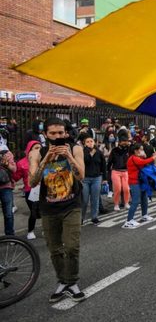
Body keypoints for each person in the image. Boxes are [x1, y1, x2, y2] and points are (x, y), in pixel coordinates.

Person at [28, 117, 86, 302]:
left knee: (71, 246)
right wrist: (46, 159)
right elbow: (32, 181)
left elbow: (81, 176)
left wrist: (68, 156)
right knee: (54, 249)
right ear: (45, 134)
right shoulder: (37, 153)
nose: (57, 136)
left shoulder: (75, 148)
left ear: (66, 133)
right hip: (48, 209)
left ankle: (72, 281)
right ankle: (63, 281)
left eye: (61, 133)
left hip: (72, 206)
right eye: (52, 133)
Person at [122, 143, 156, 228]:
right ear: (136, 151)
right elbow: (144, 162)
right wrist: (153, 157)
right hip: (134, 182)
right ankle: (129, 221)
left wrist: (146, 156)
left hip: (141, 181)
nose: (142, 151)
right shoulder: (133, 158)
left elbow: (144, 162)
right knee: (136, 200)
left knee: (144, 198)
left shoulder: (137, 157)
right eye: (141, 149)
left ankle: (144, 215)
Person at [12, 141, 42, 239]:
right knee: (34, 211)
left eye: (40, 148)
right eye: (36, 148)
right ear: (29, 150)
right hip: (30, 191)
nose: (38, 150)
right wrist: (10, 167)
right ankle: (30, 231)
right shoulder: (21, 163)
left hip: (44, 189)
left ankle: (46, 229)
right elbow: (16, 177)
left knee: (45, 211)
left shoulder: (45, 160)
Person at [81, 136, 107, 225]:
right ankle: (81, 217)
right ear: (84, 143)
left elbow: (103, 165)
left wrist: (105, 178)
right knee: (84, 199)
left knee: (95, 198)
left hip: (97, 178)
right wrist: (90, 154)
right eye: (87, 142)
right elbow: (85, 161)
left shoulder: (99, 152)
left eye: (91, 141)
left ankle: (94, 217)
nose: (90, 143)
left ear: (94, 142)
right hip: (85, 178)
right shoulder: (82, 152)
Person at [107, 134, 131, 211]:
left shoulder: (129, 150)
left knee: (126, 188)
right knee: (117, 189)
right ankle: (116, 204)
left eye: (126, 141)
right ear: (120, 142)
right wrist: (108, 171)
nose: (125, 143)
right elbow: (109, 161)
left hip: (125, 171)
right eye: (123, 141)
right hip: (115, 171)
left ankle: (126, 203)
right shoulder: (114, 150)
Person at [0, 145, 17, 235]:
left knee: (8, 214)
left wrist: (6, 164)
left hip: (6, 186)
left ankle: (10, 235)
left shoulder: (6, 152)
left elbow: (14, 169)